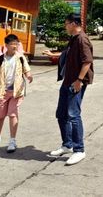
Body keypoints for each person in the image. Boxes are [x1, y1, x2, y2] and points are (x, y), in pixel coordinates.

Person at [43, 14, 94, 166]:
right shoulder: (73, 39)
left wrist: (79, 80)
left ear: (73, 23)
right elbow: (67, 54)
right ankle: (67, 144)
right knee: (61, 114)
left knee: (73, 115)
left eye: (66, 24)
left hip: (75, 83)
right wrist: (53, 55)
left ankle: (79, 150)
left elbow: (87, 62)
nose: (65, 27)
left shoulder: (82, 39)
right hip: (67, 81)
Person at [0, 34, 33, 153]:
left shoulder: (21, 58)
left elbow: (27, 71)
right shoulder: (1, 59)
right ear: (6, 45)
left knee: (12, 114)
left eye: (17, 44)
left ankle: (12, 141)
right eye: (13, 44)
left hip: (17, 92)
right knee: (0, 116)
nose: (15, 46)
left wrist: (29, 76)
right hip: (2, 91)